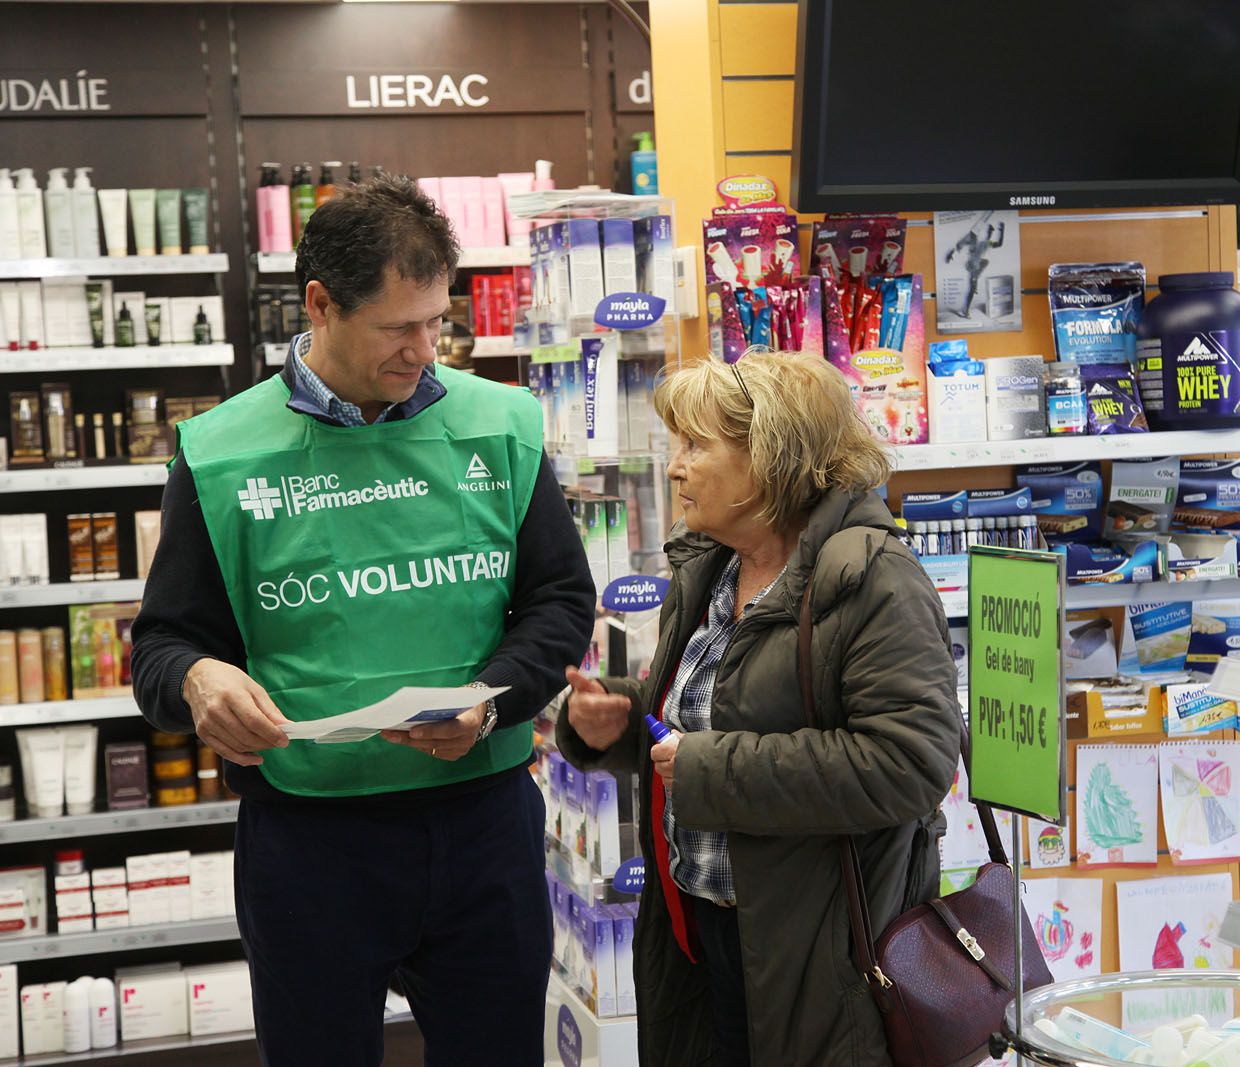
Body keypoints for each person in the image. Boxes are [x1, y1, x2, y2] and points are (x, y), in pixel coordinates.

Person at [130, 175, 594, 1066]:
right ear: (320, 304)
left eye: (436, 321)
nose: (425, 349)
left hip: (482, 829)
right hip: (310, 845)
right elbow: (162, 642)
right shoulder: (223, 451)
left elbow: (560, 602)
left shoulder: (501, 425)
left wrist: (490, 698)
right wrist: (198, 678)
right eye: (397, 327)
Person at [557, 351, 962, 1066]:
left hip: (820, 957)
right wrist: (624, 723)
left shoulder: (873, 582)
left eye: (696, 446)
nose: (675, 467)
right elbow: (709, 719)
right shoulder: (709, 568)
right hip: (702, 939)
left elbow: (910, 762)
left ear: (773, 457)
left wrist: (709, 769)